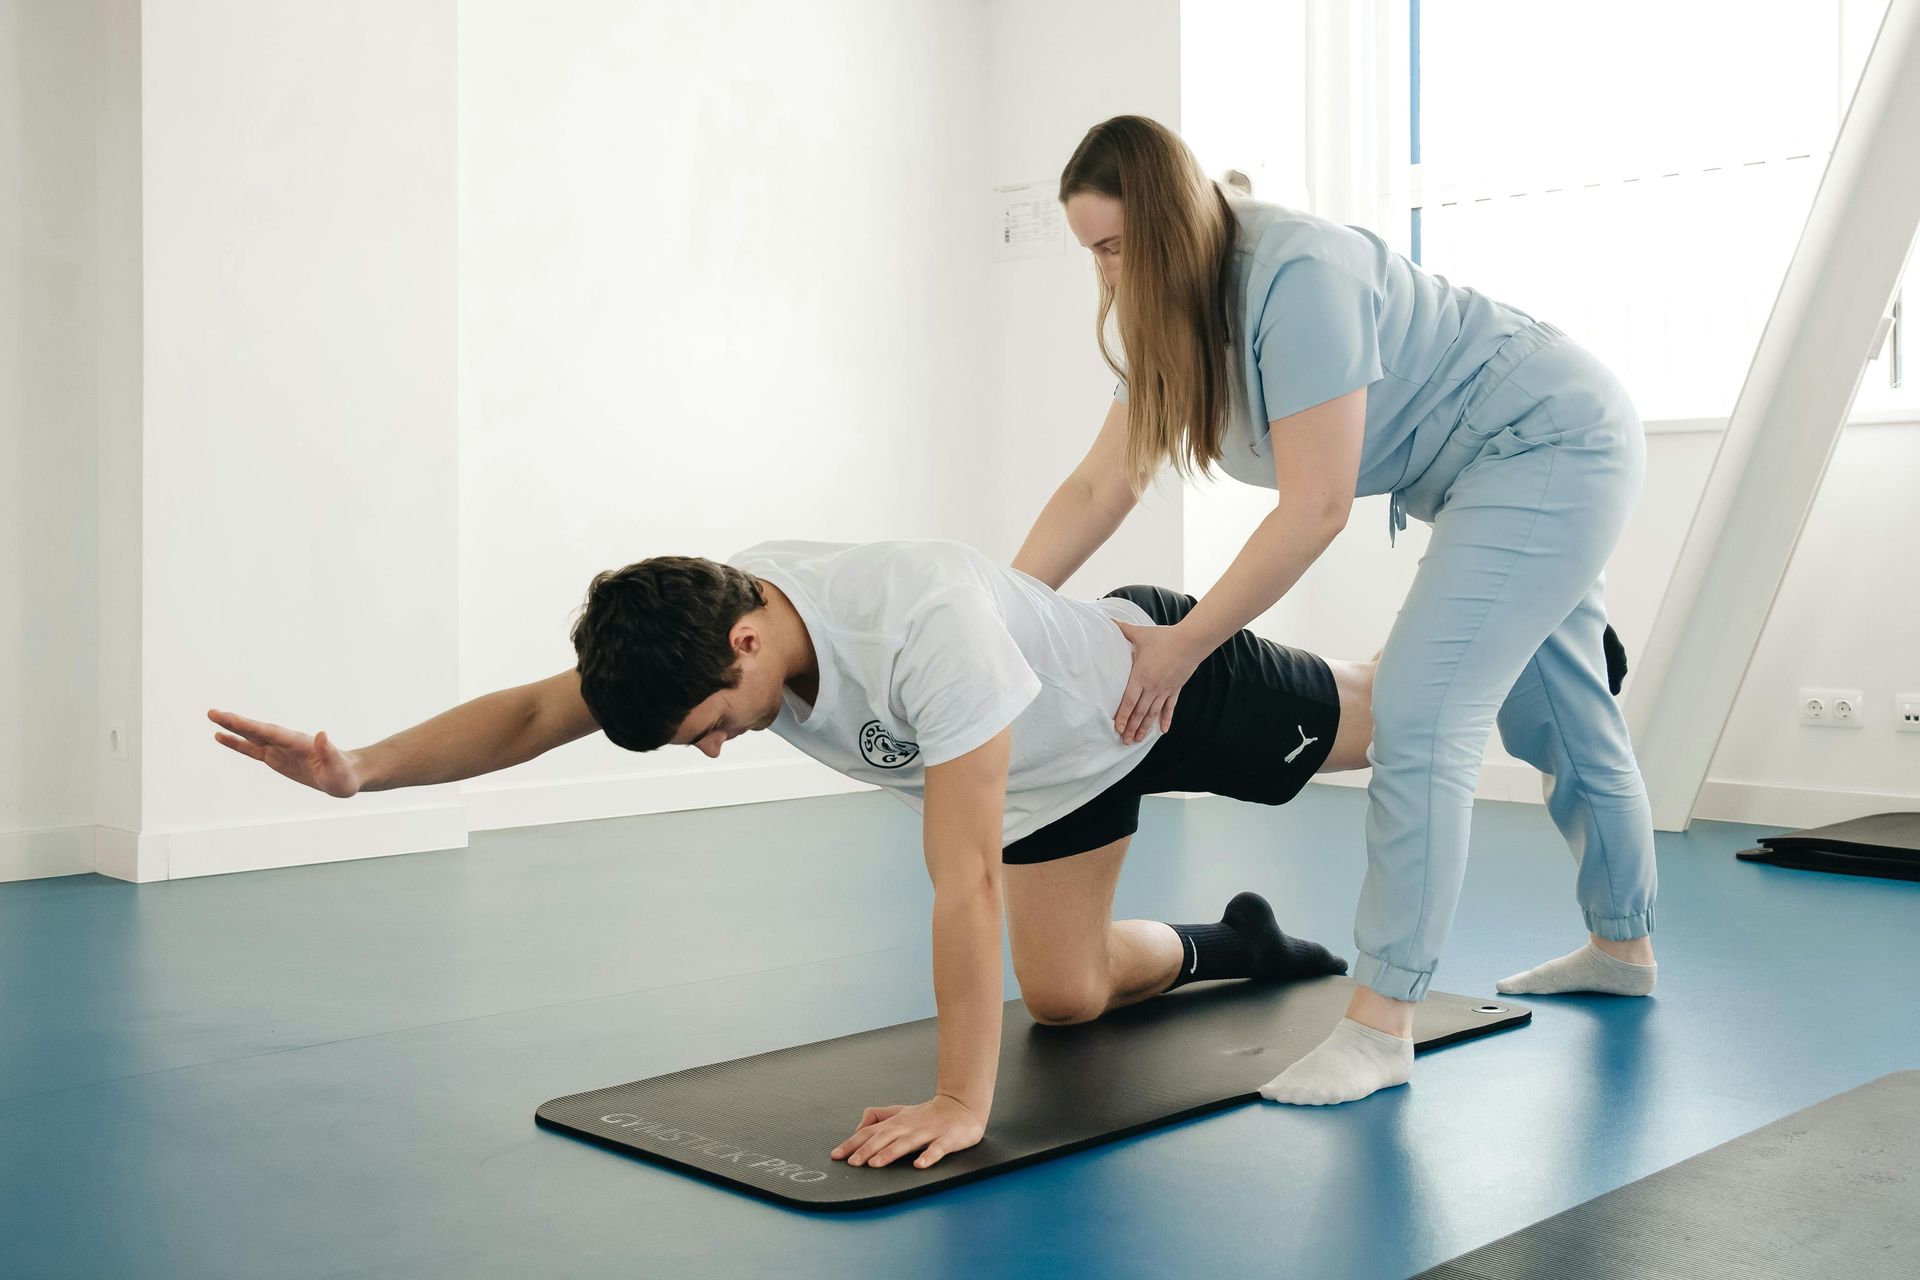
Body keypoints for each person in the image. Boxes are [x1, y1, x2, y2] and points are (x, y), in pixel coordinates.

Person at [211, 537, 1382, 1172]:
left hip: (1150, 688)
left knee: (1392, 717)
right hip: (1053, 771)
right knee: (1069, 999)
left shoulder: (927, 631)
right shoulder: (691, 632)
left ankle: (1514, 634)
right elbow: (529, 714)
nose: (716, 746)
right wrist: (358, 770)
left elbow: (963, 881)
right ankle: (1240, 940)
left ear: (748, 638)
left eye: (713, 722)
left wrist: (962, 1099)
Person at [1013, 116, 1659, 1108]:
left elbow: (1314, 505)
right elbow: (1104, 485)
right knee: (1553, 714)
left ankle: (1380, 1023)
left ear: (1174, 227)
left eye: (1113, 249)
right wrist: (1001, 608)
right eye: (1090, 253)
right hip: (1481, 473)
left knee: (1420, 711)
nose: (1103, 276)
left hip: (1548, 442)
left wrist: (1185, 645)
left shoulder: (1296, 271)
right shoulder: (1168, 309)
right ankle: (1624, 945)